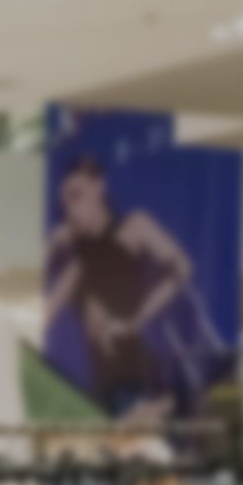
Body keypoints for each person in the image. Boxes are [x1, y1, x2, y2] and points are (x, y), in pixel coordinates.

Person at [43, 156, 194, 418]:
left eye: (76, 195)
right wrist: (52, 245)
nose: (71, 209)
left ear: (98, 186)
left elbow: (182, 268)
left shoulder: (133, 228)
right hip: (105, 392)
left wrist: (136, 319)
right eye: (66, 202)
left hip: (139, 380)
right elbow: (43, 314)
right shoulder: (78, 265)